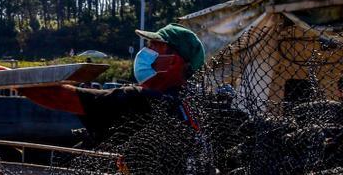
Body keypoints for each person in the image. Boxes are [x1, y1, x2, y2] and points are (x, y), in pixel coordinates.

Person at [23, 23, 206, 144]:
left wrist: (5, 77)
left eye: (153, 46)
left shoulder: (140, 100)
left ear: (173, 61)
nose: (145, 51)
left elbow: (58, 97)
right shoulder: (193, 104)